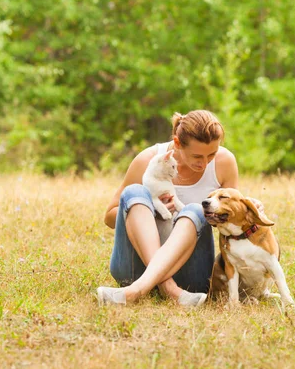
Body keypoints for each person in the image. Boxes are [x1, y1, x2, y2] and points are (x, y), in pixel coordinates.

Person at [97, 110, 242, 307]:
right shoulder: (147, 160)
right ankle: (169, 289)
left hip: (190, 275)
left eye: (212, 154)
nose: (205, 162)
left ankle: (135, 292)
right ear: (177, 143)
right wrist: (150, 209)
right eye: (197, 156)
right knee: (134, 192)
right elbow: (110, 217)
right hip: (134, 269)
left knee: (195, 210)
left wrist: (217, 214)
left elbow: (232, 221)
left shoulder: (225, 163)